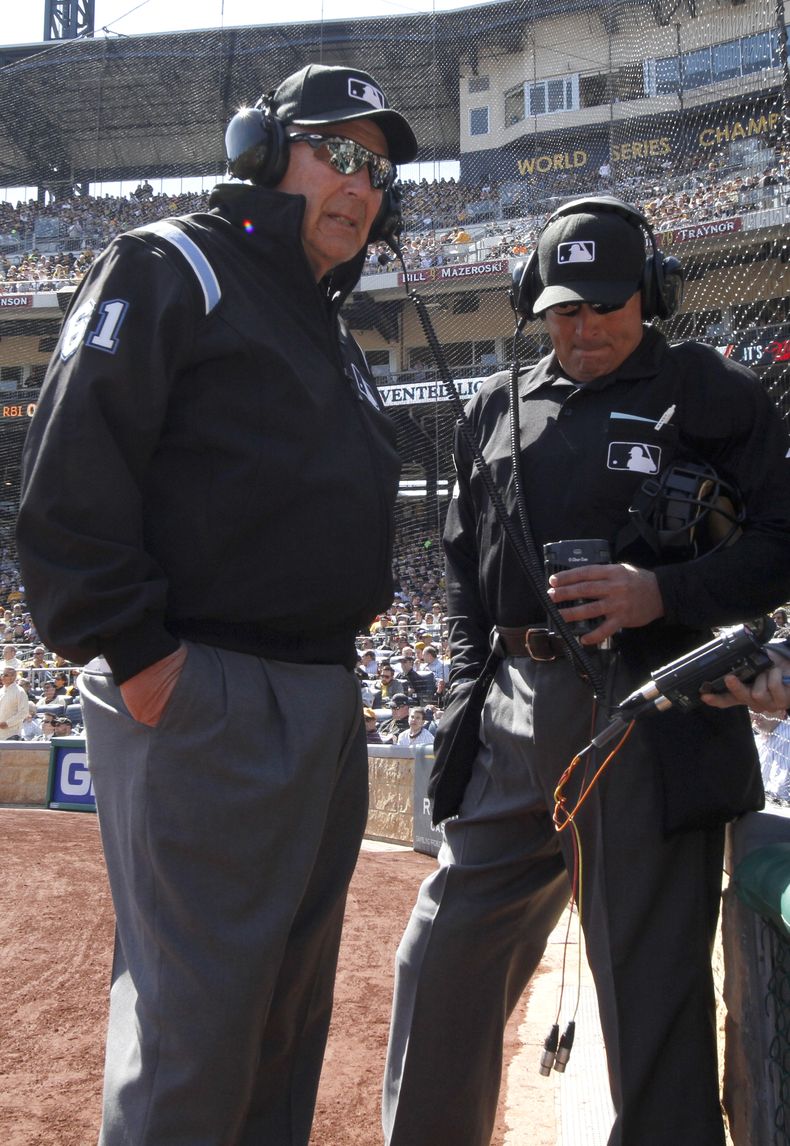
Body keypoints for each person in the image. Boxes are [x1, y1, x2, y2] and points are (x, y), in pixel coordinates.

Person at [17, 61, 417, 1146]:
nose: (360, 184)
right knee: (196, 1038)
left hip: (320, 693)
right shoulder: (171, 264)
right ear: (259, 150)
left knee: (282, 1030)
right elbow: (67, 486)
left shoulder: (322, 319)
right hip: (209, 687)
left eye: (377, 170)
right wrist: (146, 662)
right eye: (337, 151)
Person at [382, 196, 790, 1146]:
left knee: (651, 1004)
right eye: (565, 308)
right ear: (537, 304)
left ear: (649, 296)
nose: (586, 326)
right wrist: (459, 712)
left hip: (657, 711)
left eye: (607, 305)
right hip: (515, 717)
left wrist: (662, 592)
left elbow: (782, 541)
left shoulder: (717, 393)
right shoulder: (492, 409)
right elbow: (459, 581)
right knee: (440, 964)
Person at [0, 667, 31, 739]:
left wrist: (7, 723)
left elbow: (24, 712)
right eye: (2, 674)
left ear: (13, 677)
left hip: (12, 734)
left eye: (6, 675)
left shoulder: (20, 692)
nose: (3, 677)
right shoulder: (1, 691)